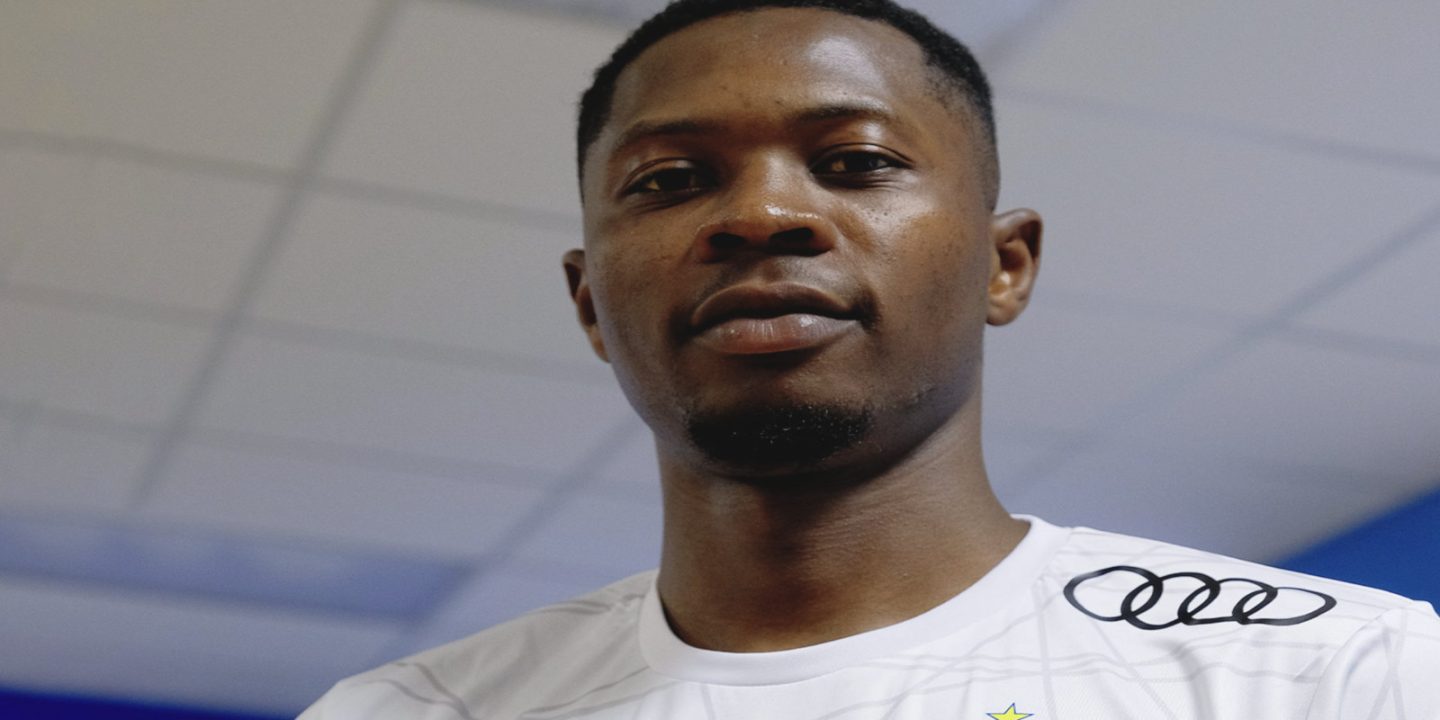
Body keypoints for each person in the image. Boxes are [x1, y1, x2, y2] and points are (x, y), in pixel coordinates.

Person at [300, 1, 1440, 717]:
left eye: (856, 163)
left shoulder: (1339, 676)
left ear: (1004, 266)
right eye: (671, 180)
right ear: (591, 302)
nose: (761, 216)